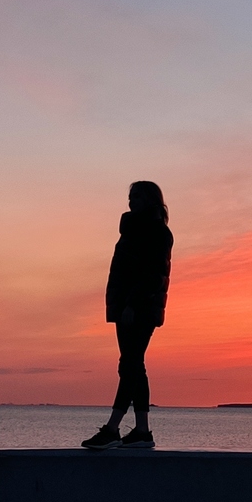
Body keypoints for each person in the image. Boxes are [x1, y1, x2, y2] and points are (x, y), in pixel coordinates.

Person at [84, 181, 172, 450]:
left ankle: (113, 428)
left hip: (140, 308)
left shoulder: (158, 232)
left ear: (150, 199)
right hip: (126, 307)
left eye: (136, 196)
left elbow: (153, 276)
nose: (131, 201)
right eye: (130, 197)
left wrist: (133, 304)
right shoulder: (131, 231)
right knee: (135, 366)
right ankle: (142, 431)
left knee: (129, 365)